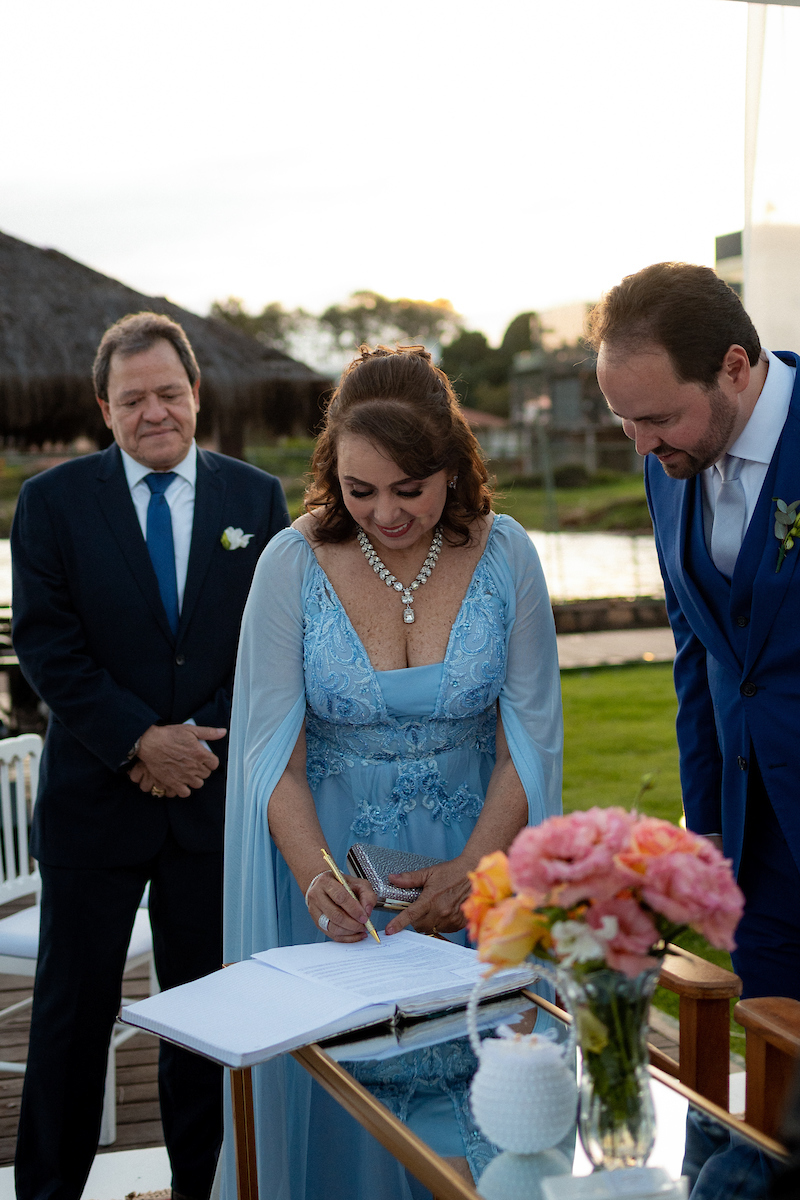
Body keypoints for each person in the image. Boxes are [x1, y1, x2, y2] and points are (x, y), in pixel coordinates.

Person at [221, 344, 563, 1200]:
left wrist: (472, 873)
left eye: (408, 489)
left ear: (452, 466)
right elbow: (272, 753)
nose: (384, 514)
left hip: (481, 850)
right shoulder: (288, 565)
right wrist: (315, 877)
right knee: (349, 1103)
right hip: (338, 874)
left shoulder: (507, 554)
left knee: (489, 1108)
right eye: (358, 490)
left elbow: (530, 735)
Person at [12, 312, 289, 1200]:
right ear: (105, 408)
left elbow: (269, 646)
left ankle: (201, 1188)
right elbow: (51, 649)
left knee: (206, 1021)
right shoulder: (50, 503)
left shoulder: (256, 501)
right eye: (133, 399)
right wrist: (140, 742)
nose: (154, 411)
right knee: (70, 1019)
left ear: (195, 394)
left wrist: (194, 748)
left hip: (209, 807)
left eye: (169, 392)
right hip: (96, 805)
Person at [588, 263, 800, 1199]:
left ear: (735, 367)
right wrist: (707, 823)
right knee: (769, 1081)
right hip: (761, 841)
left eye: (657, 419)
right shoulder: (665, 467)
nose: (639, 443)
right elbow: (698, 654)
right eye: (623, 421)